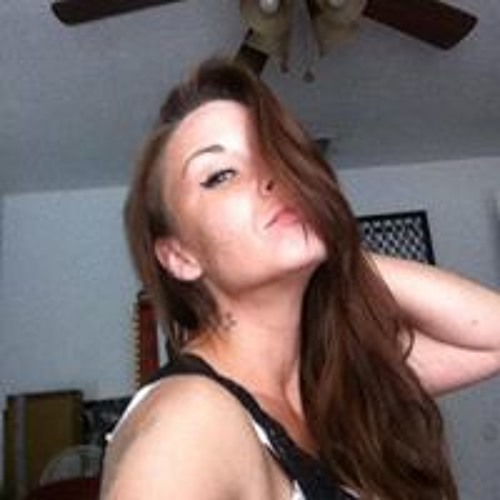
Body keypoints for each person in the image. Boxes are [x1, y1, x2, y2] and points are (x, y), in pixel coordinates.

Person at [100, 57, 500, 500]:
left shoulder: (333, 379)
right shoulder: (190, 422)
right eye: (221, 175)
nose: (271, 177)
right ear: (180, 256)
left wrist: (340, 254)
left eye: (274, 155)